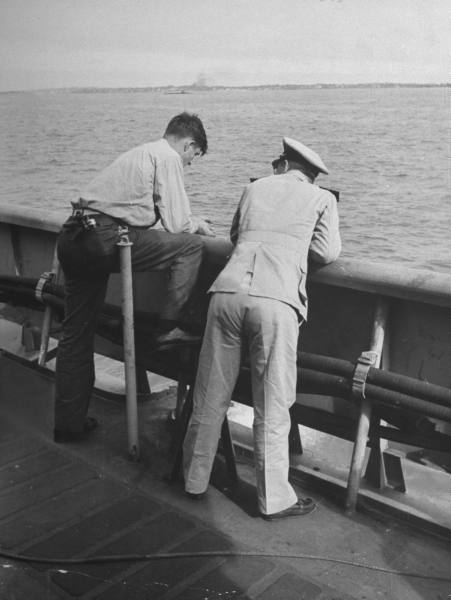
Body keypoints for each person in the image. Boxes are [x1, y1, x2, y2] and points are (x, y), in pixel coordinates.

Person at [183, 136, 341, 520]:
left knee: (209, 393)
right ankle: (274, 500)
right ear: (312, 175)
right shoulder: (323, 199)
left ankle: (193, 479)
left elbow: (236, 237)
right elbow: (328, 252)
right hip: (275, 304)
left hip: (226, 293)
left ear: (283, 164)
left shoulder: (253, 187)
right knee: (272, 403)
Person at [54, 112, 214, 443]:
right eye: (192, 159)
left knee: (75, 334)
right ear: (190, 145)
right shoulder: (168, 156)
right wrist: (197, 222)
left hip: (73, 235)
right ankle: (169, 328)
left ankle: (68, 425)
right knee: (191, 248)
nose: (188, 166)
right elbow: (178, 224)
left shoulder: (141, 152)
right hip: (105, 237)